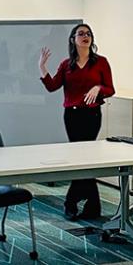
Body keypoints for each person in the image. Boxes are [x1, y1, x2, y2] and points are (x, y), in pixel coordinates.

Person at [38, 23, 115, 220]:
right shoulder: (66, 64)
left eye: (88, 34)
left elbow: (110, 89)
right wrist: (42, 68)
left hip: (92, 115)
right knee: (80, 159)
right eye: (80, 34)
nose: (85, 36)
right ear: (73, 39)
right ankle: (90, 205)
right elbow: (52, 87)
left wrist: (98, 88)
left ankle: (72, 202)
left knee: (86, 158)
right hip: (72, 116)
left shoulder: (101, 63)